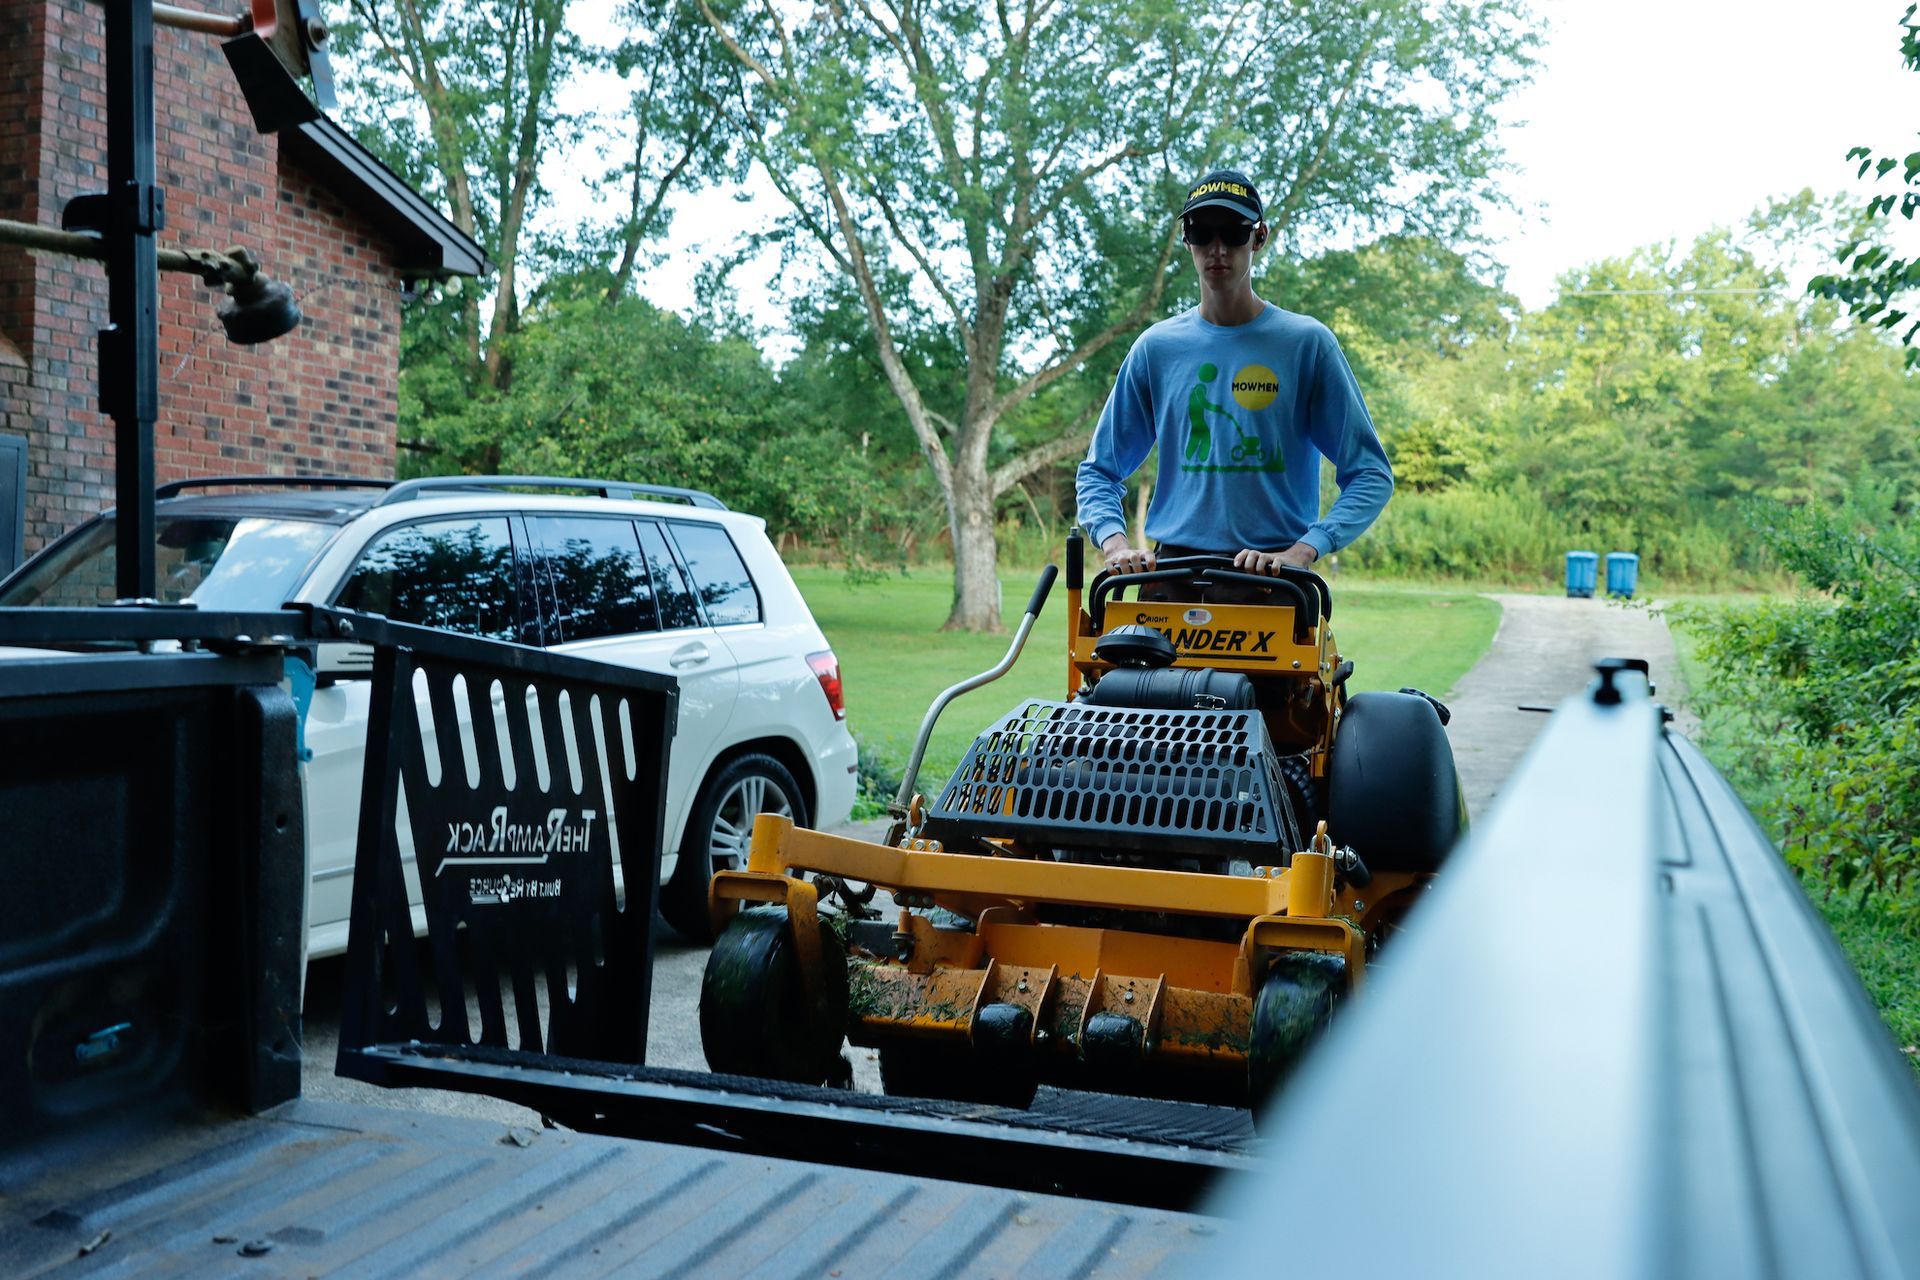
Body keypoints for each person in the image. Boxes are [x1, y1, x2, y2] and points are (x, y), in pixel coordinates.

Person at [1075, 168, 1394, 586]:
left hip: (1274, 582)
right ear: (1187, 239)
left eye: (1232, 232)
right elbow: (1099, 471)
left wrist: (1307, 548)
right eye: (1202, 232)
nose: (1217, 248)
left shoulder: (1306, 345)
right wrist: (1115, 546)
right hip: (1171, 578)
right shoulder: (1157, 349)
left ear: (1259, 237)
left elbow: (1371, 473)